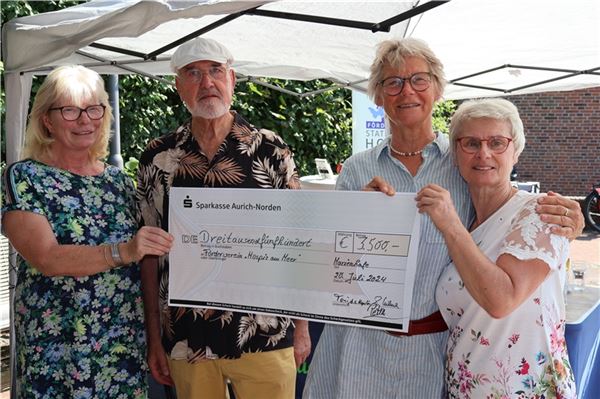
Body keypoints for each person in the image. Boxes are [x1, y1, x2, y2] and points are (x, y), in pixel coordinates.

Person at [303, 38, 583, 398]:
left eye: (419, 79)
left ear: (436, 89)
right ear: (378, 96)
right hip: (360, 345)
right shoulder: (357, 170)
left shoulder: (465, 160)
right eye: (393, 82)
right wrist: (354, 220)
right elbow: (327, 267)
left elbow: (506, 214)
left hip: (434, 352)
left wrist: (567, 218)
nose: (407, 91)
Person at [136, 37, 311, 398]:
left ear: (231, 79)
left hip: (265, 330)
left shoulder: (270, 149)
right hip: (187, 336)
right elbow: (149, 252)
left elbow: (297, 240)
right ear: (178, 86)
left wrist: (302, 327)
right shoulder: (158, 157)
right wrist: (155, 338)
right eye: (194, 73)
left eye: (215, 71)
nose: (207, 82)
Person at [1, 65, 174, 398]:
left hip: (121, 346)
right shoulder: (24, 178)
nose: (85, 120)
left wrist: (154, 340)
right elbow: (47, 258)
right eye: (70, 110)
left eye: (94, 109)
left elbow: (145, 267)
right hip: (55, 349)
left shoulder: (121, 183)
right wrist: (124, 251)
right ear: (46, 119)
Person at [416, 98, 576, 398]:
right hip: (466, 388)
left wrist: (449, 225)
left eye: (497, 142)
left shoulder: (541, 213)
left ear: (515, 151)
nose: (483, 153)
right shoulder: (466, 219)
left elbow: (501, 299)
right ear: (456, 155)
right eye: (471, 143)